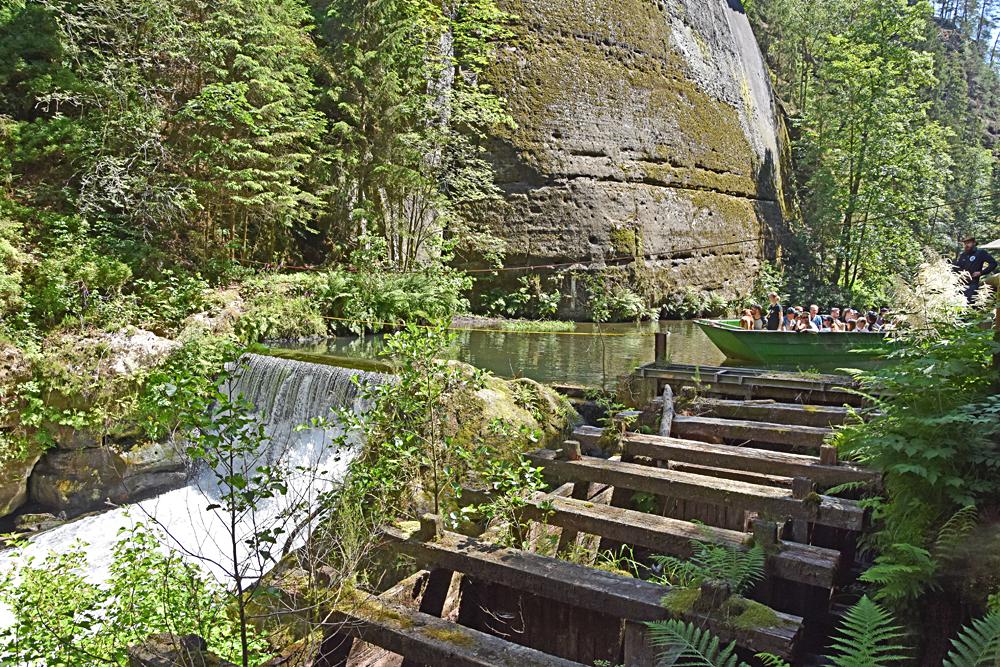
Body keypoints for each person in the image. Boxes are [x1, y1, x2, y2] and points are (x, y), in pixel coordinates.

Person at [953, 236, 998, 303]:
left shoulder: (980, 253)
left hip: (972, 284)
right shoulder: (963, 255)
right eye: (965, 243)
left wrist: (981, 272)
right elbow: (958, 267)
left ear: (974, 243)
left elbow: (993, 263)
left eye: (968, 243)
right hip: (960, 284)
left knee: (968, 303)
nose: (966, 245)